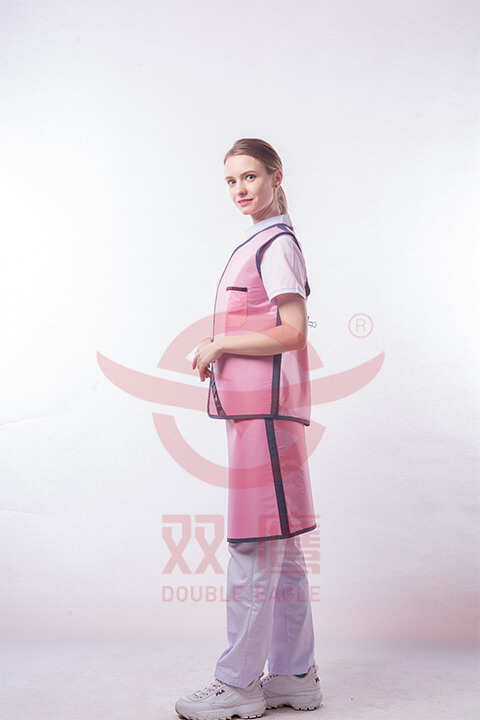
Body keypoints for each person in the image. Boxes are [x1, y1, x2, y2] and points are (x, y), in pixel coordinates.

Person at [175, 138, 323, 720]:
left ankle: (238, 683)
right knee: (279, 546)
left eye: (251, 177)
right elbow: (261, 324)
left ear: (275, 176)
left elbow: (294, 331)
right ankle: (293, 675)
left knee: (254, 544)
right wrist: (219, 344)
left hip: (266, 416)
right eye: (231, 181)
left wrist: (222, 344)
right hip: (254, 415)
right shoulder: (257, 241)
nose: (240, 189)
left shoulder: (276, 244)